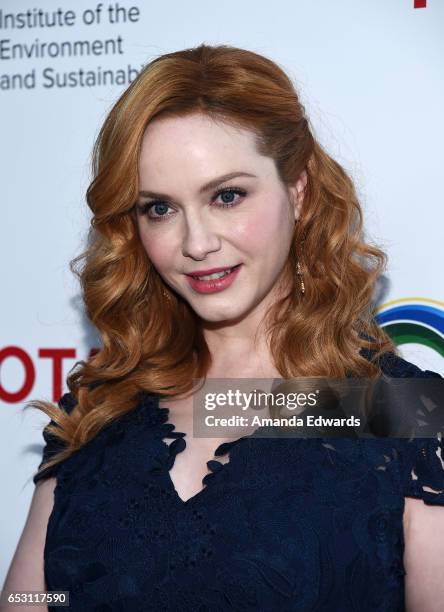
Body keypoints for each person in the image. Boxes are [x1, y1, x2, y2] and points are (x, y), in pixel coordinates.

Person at [2, 43, 443, 612]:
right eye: (159, 208)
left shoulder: (397, 409)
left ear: (298, 191)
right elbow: (33, 598)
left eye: (227, 196)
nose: (196, 243)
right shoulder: (103, 402)